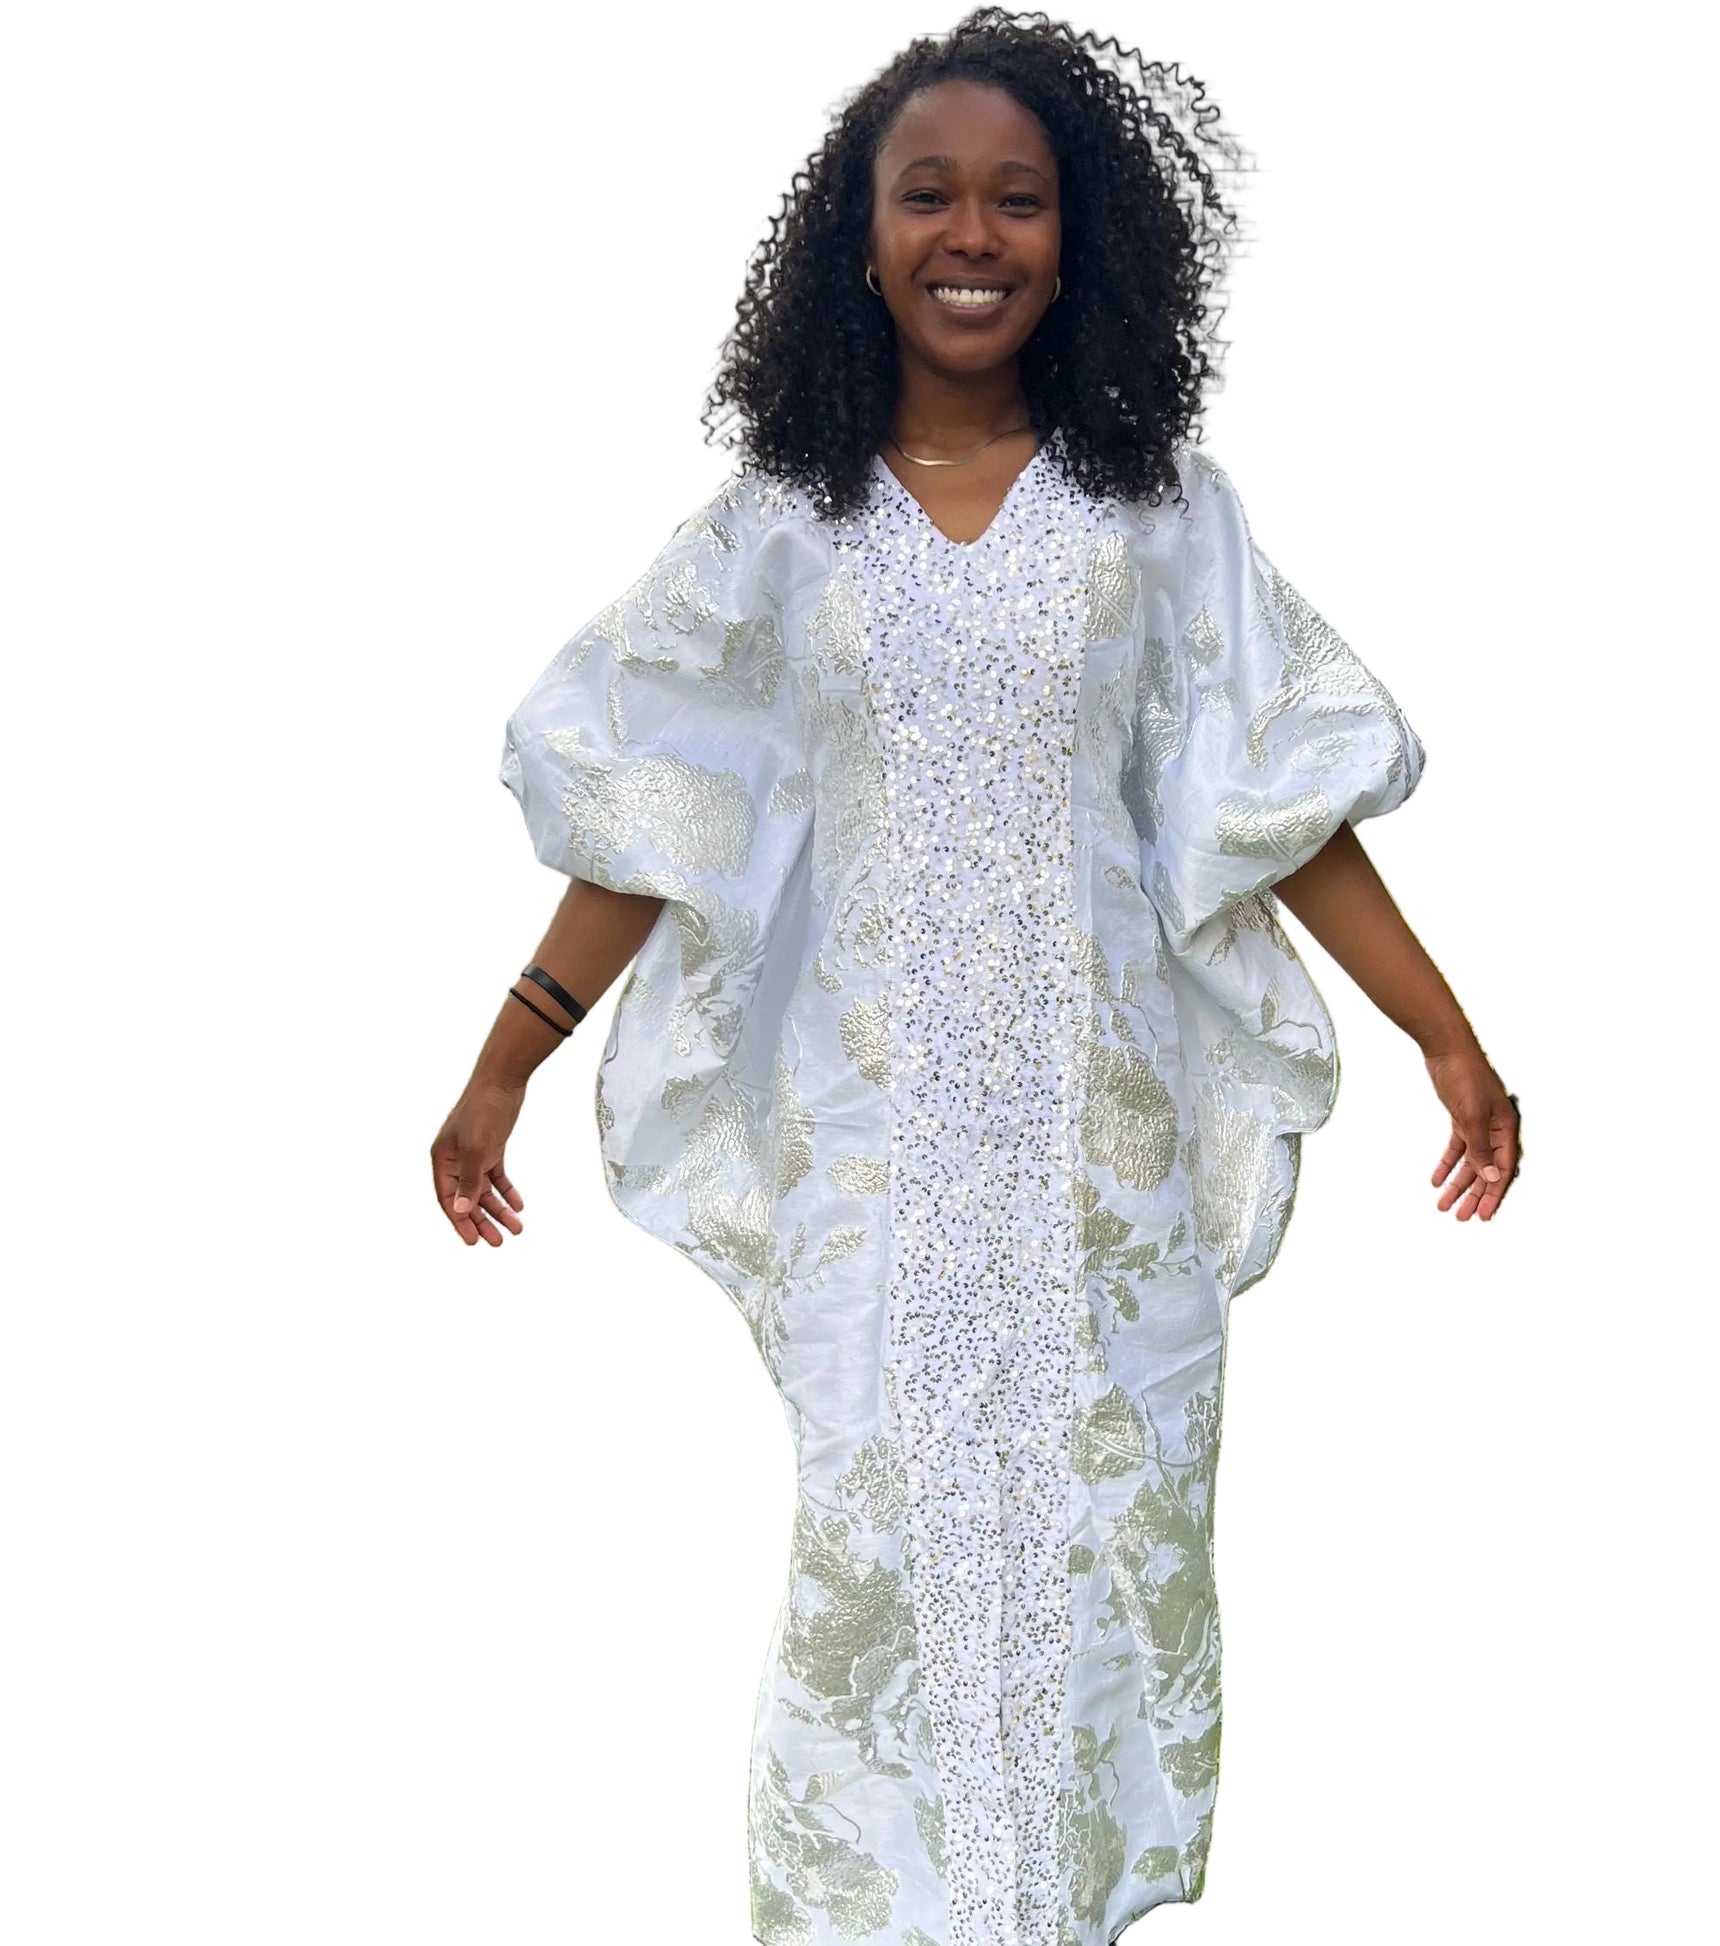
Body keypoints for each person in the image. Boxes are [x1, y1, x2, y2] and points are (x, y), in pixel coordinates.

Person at [431, 10, 1521, 1942]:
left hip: (1103, 1173)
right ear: (857, 237)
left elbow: (1270, 804)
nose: (970, 233)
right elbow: (664, 814)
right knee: (876, 1558)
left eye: (1016, 200)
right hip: (876, 1166)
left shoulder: (1160, 518)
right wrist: (505, 1059)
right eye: (925, 193)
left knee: (1106, 1548)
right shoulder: (782, 530)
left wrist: (1445, 1034)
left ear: (1073, 239)